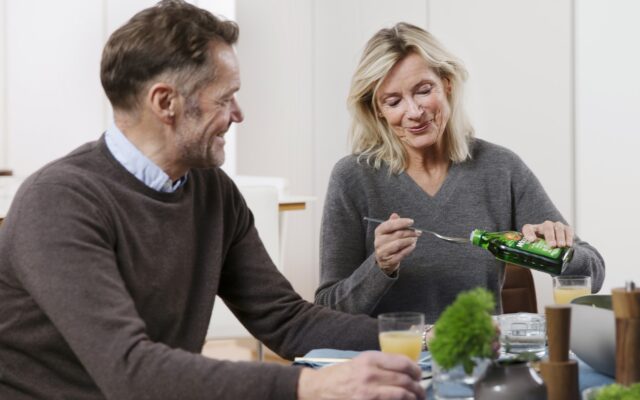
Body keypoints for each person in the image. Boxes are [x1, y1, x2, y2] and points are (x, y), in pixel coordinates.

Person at [0, 2, 423, 399]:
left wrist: (426, 338)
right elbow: (129, 370)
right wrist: (308, 386)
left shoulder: (212, 191)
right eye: (225, 98)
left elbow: (286, 320)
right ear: (166, 102)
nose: (238, 114)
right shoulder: (58, 202)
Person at [315, 22, 605, 323]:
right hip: (389, 364)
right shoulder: (352, 178)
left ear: (447, 84)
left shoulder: (500, 169)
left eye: (424, 91)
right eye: (394, 101)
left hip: (479, 359)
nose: (414, 112)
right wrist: (379, 267)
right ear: (377, 110)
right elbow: (326, 312)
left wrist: (560, 253)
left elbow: (593, 273)